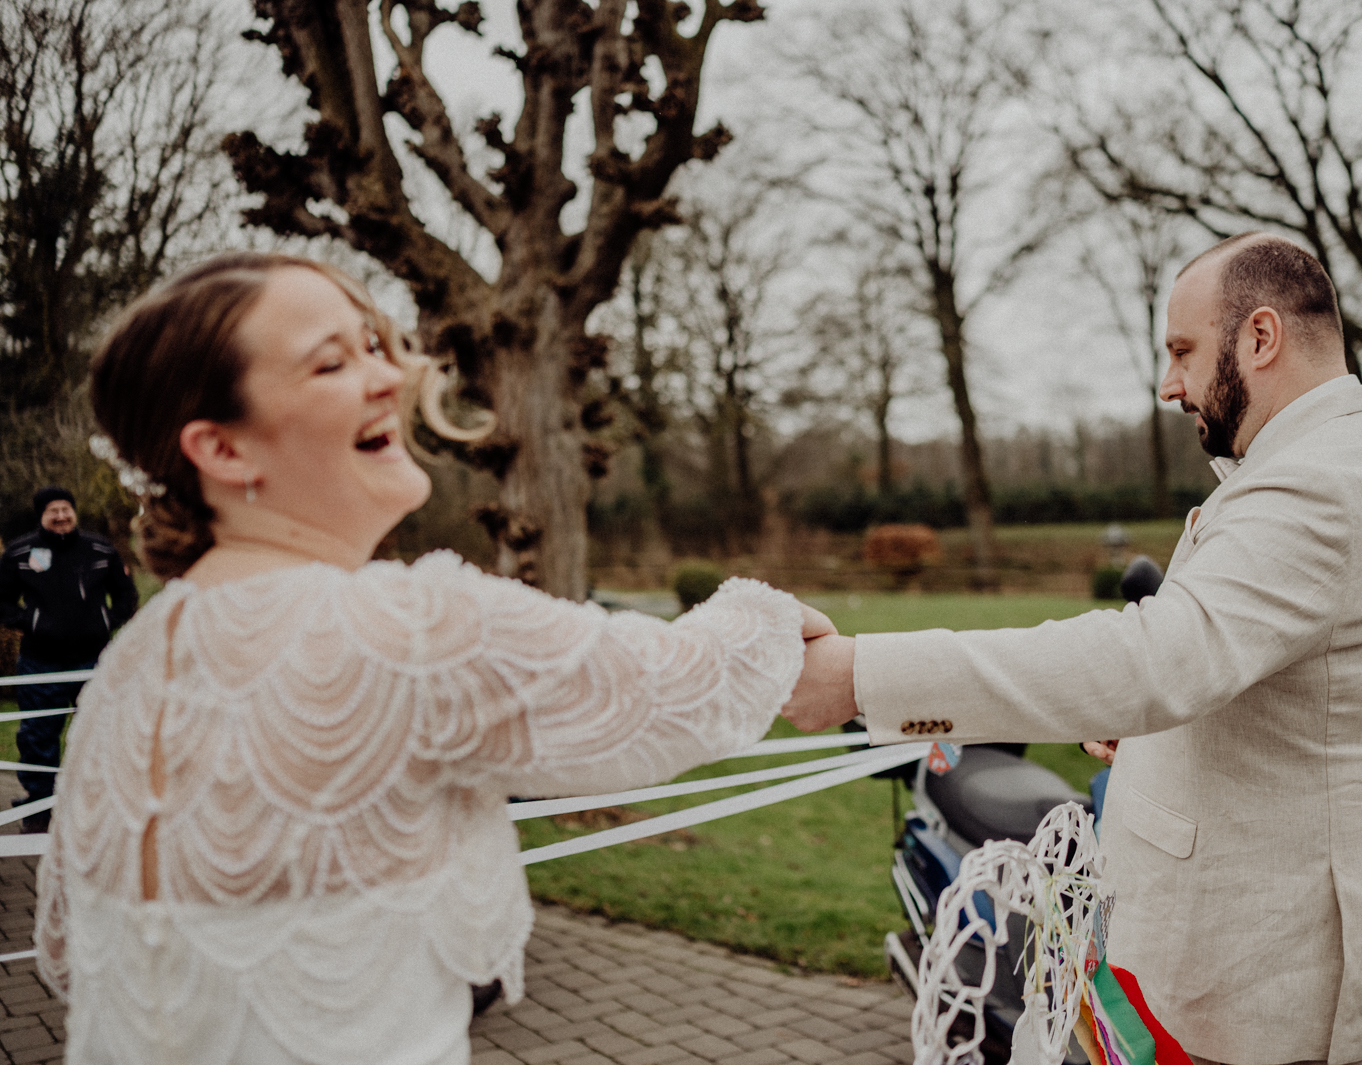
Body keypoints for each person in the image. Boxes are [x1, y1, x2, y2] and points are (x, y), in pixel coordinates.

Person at [34, 251, 836, 1065]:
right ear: (223, 449)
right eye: (333, 361)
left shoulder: (128, 667)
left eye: (375, 346)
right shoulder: (407, 628)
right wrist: (766, 615)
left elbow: (70, 954)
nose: (393, 376)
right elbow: (675, 692)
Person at [784, 234, 1362, 1065]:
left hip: (1280, 995)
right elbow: (1296, 691)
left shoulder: (1323, 483)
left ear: (1260, 337)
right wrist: (1156, 734)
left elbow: (1153, 657)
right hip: (1276, 973)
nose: (1168, 384)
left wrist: (861, 674)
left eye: (1183, 350)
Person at [0, 486, 138, 832]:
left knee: (98, 735)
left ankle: (97, 805)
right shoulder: (20, 553)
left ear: (73, 512)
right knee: (37, 737)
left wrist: (107, 621)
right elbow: (1, 601)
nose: (61, 516)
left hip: (93, 662)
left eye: (66, 509)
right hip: (39, 663)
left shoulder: (100, 549)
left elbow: (126, 597)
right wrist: (29, 624)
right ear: (41, 516)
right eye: (53, 511)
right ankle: (38, 807)